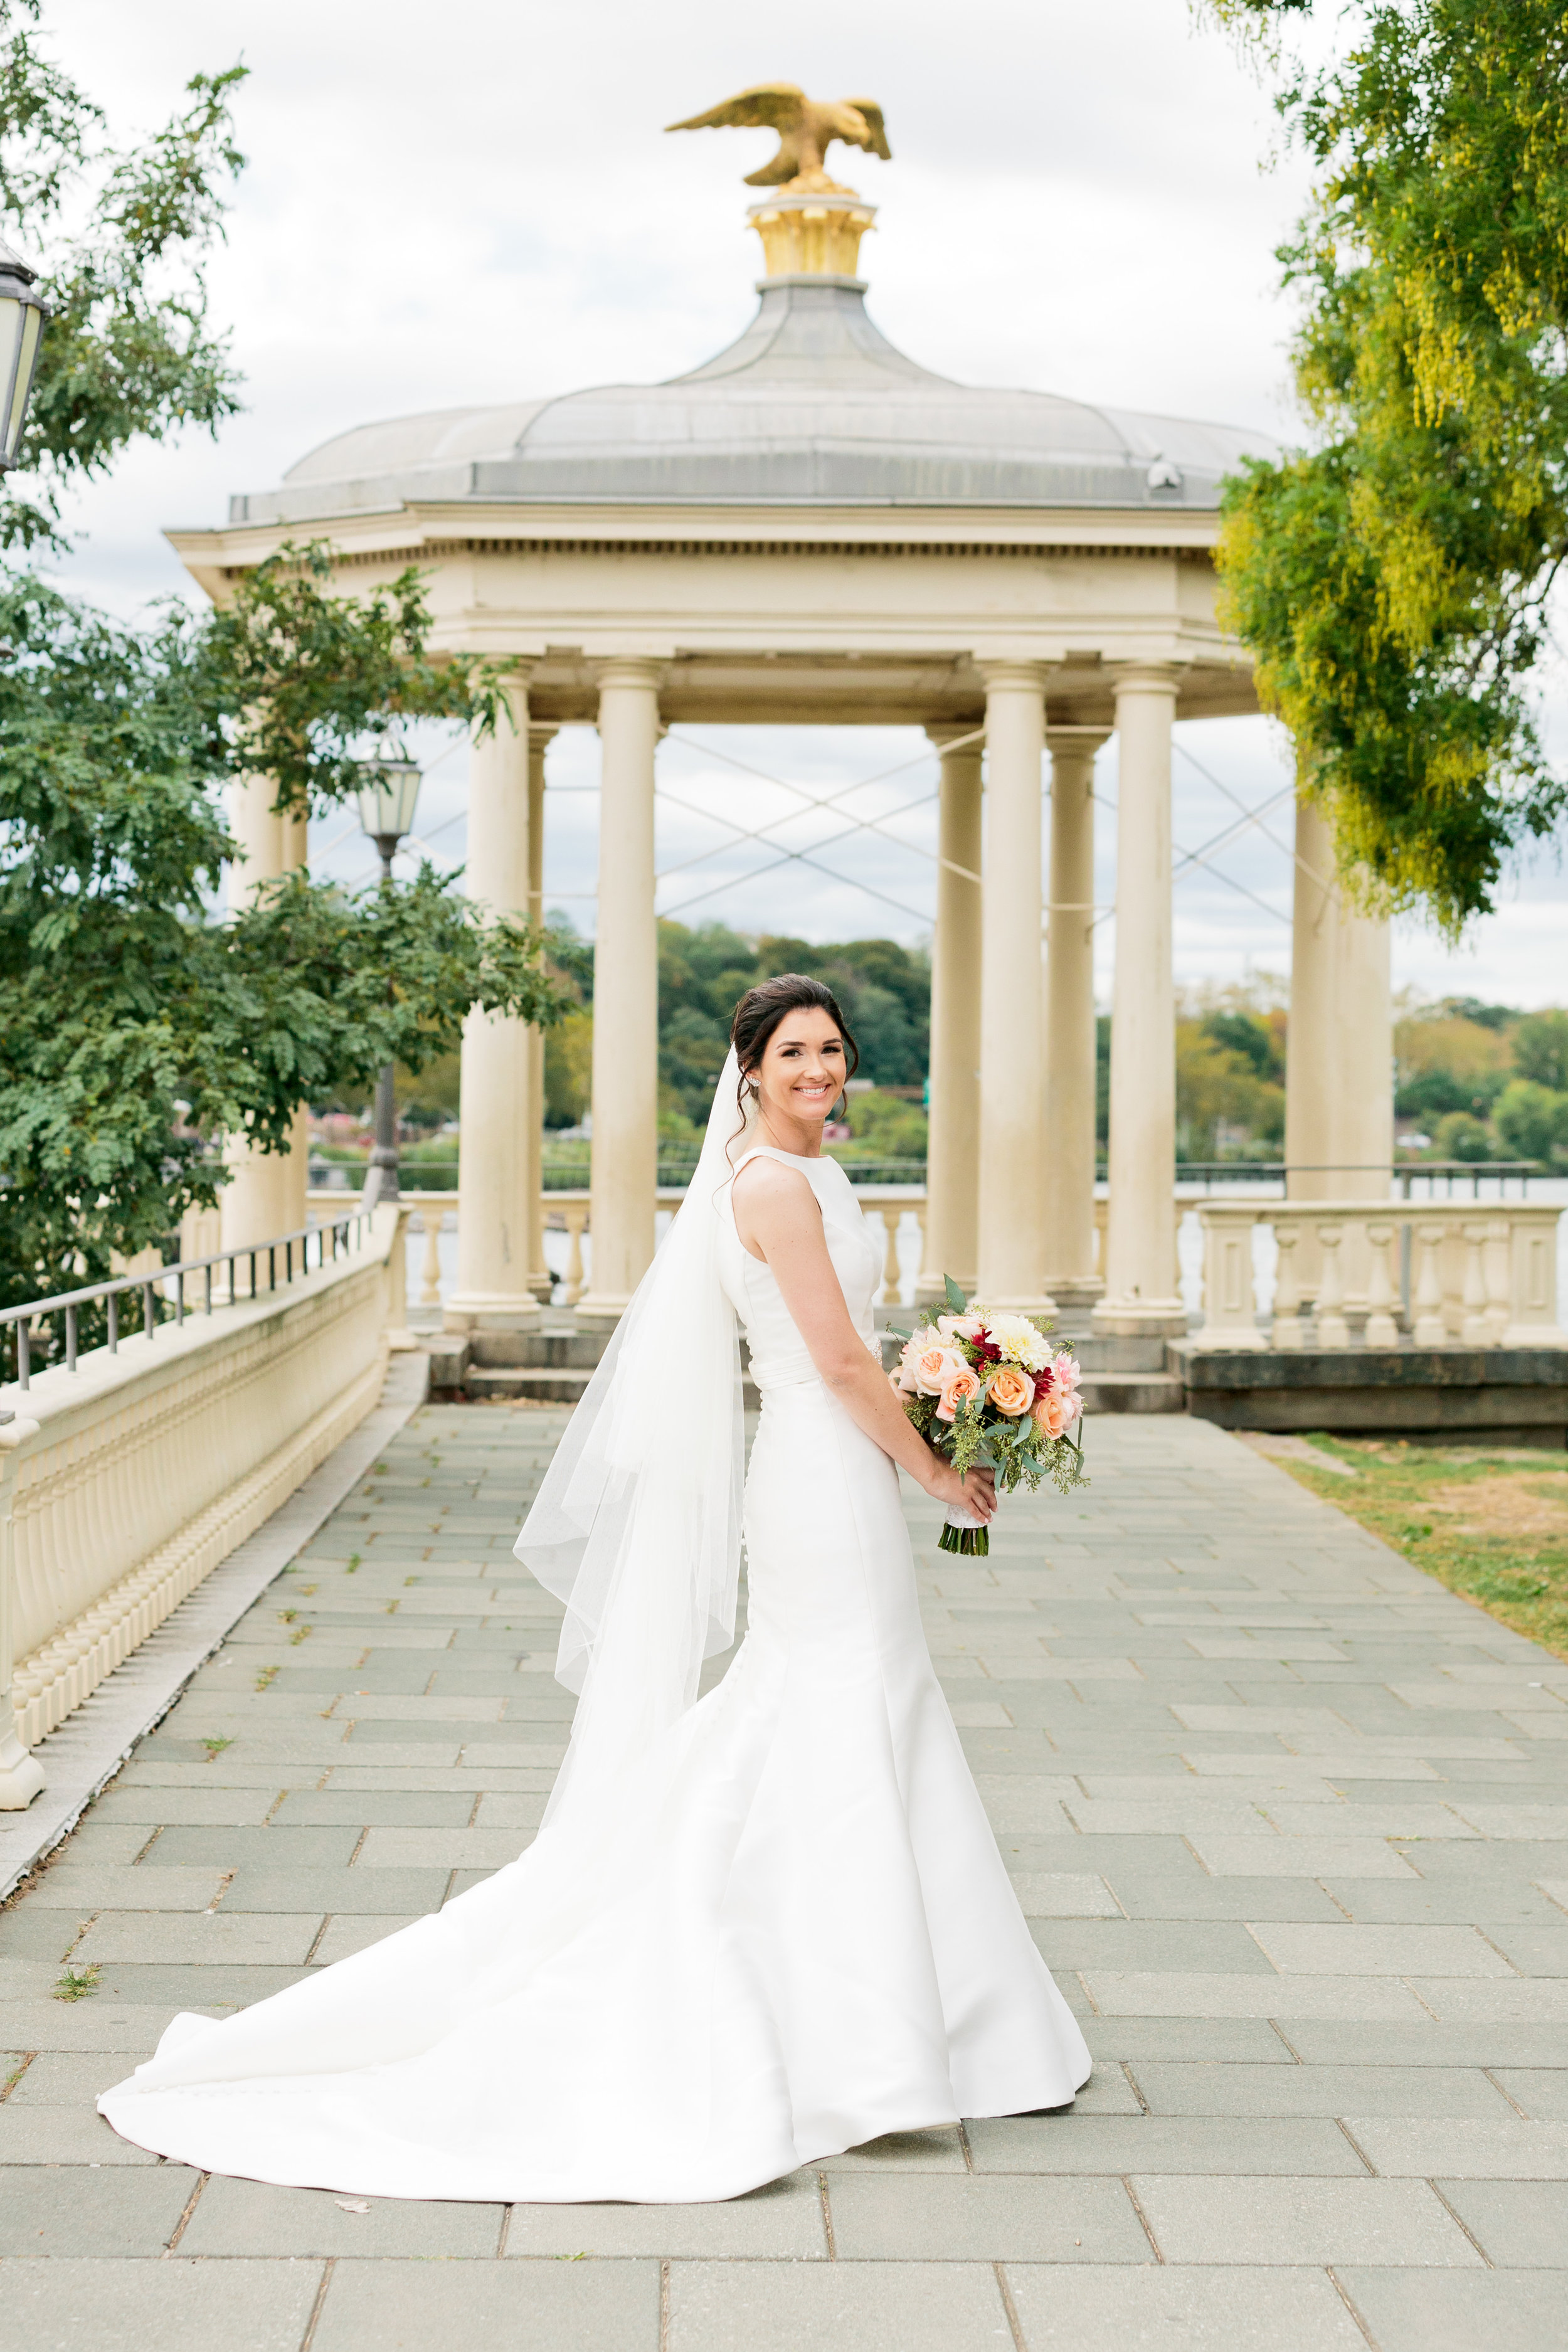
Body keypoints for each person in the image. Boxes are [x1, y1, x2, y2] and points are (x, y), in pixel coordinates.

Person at [97, 973, 1089, 2201]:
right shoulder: (772, 1188)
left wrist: (954, 1386)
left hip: (837, 1476)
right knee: (837, 1701)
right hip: (821, 1477)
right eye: (794, 1053)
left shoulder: (817, 1179)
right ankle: (860, 2035)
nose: (820, 1071)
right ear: (749, 1068)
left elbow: (861, 1348)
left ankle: (913, 2020)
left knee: (851, 1700)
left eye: (833, 1051)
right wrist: (936, 1469)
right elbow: (832, 1362)